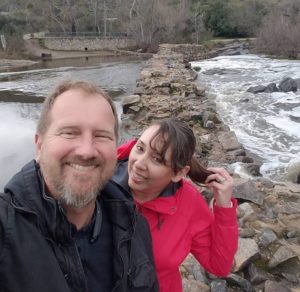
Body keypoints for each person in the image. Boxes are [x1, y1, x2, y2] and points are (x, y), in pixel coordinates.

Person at [0, 80, 158, 292]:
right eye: (69, 132)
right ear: (39, 145)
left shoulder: (135, 227)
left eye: (101, 135)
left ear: (116, 149)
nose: (86, 151)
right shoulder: (5, 230)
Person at [113, 118, 239, 292]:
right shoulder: (102, 182)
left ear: (179, 173)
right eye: (140, 148)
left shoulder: (188, 203)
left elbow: (219, 266)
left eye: (157, 159)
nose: (139, 164)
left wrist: (224, 207)